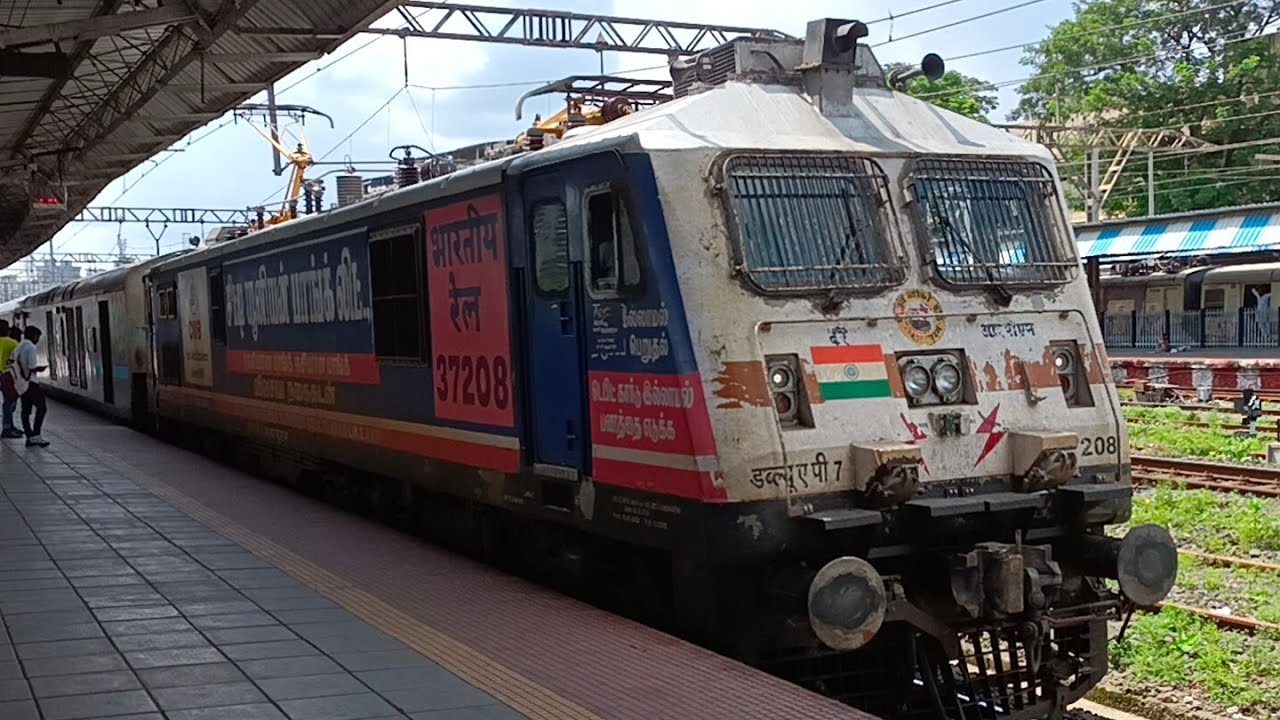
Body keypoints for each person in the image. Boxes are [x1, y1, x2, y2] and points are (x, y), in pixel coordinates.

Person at [12, 326, 49, 448]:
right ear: (33, 336)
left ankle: (29, 436)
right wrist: (42, 368)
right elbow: (32, 367)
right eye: (37, 337)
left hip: (21, 383)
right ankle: (36, 435)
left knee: (25, 410)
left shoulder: (19, 346)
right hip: (31, 382)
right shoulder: (31, 347)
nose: (38, 340)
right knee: (42, 407)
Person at [0, 320, 20, 439]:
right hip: (8, 375)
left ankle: (9, 426)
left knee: (7, 400)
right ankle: (7, 427)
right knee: (10, 401)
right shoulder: (12, 343)